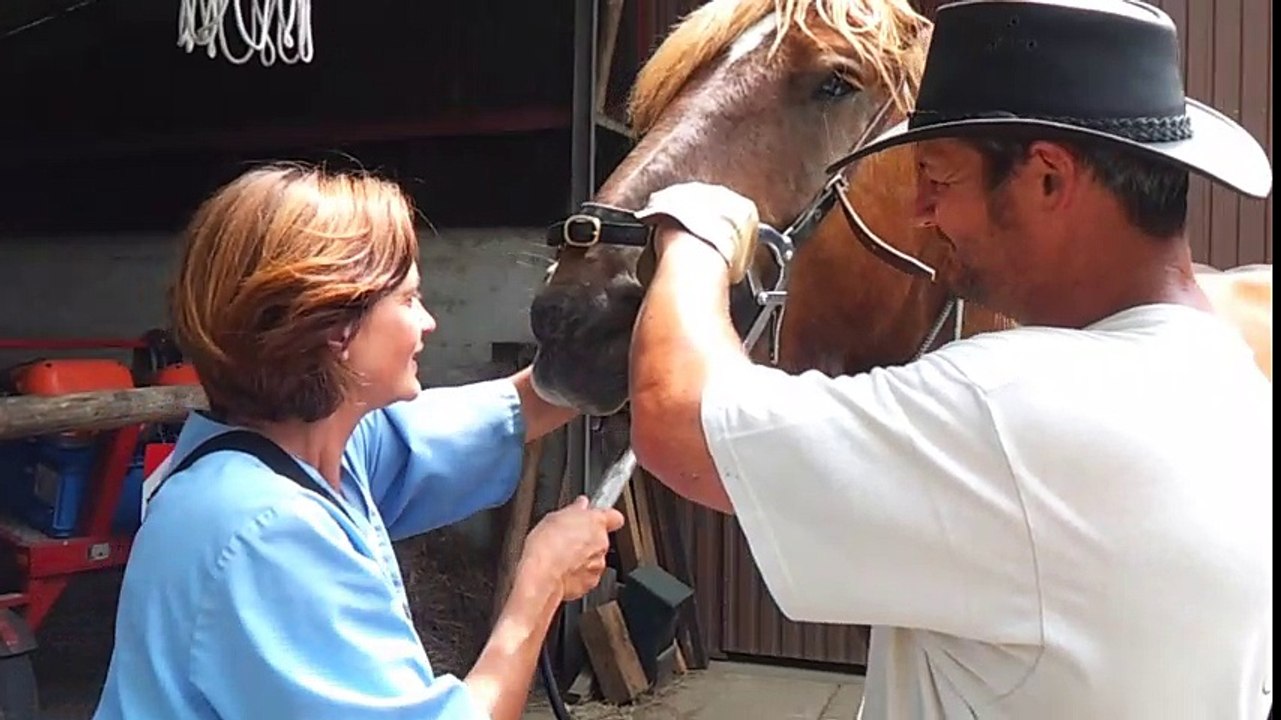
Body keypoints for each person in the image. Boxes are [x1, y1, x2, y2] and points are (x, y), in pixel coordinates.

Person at [625, 1, 1272, 718]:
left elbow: (677, 422)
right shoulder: (1225, 377)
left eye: (938, 177)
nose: (923, 212)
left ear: (1047, 179)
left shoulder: (1015, 405)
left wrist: (695, 236)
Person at [93, 164, 624, 720]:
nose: (429, 322)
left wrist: (615, 351)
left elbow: (474, 425)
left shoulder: (312, 449)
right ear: (336, 328)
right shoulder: (265, 532)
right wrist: (537, 586)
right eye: (409, 299)